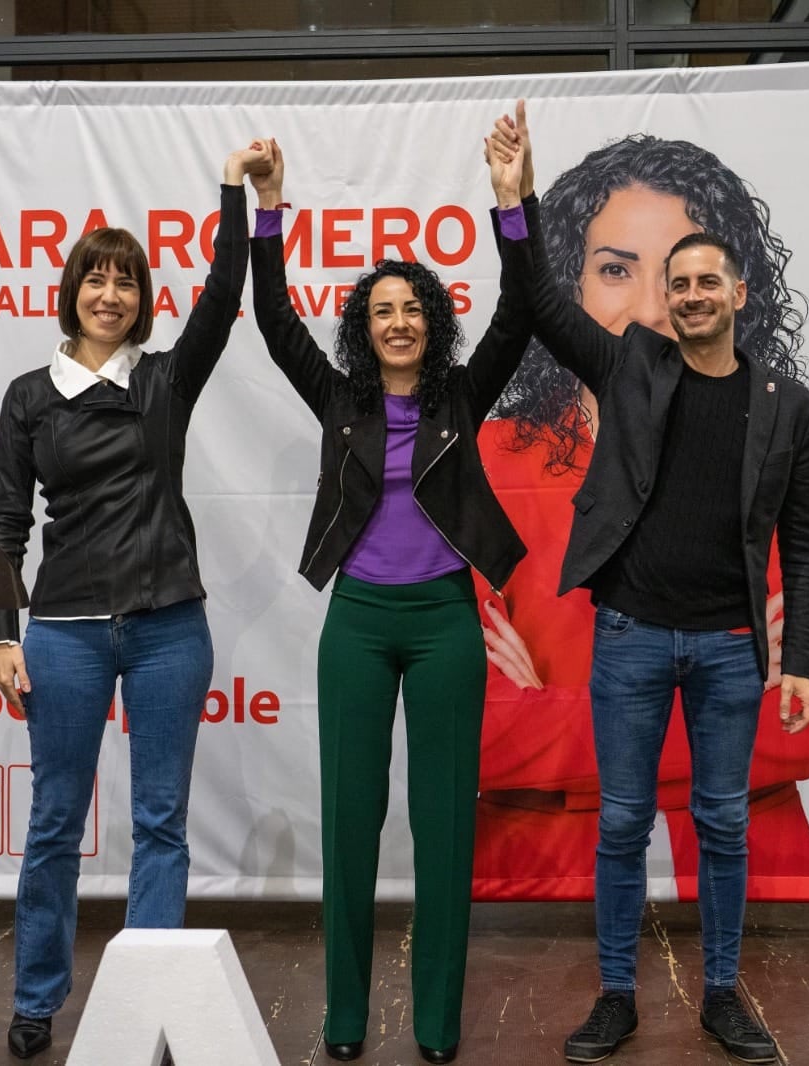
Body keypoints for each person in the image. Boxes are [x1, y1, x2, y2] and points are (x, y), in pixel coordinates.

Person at [491, 106, 809, 1064]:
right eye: (668, 282)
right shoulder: (630, 364)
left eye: (699, 280)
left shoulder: (786, 408)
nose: (680, 296)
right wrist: (512, 200)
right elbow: (544, 307)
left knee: (723, 824)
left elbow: (803, 545)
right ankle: (616, 995)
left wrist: (795, 658)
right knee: (625, 826)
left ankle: (722, 992)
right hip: (633, 635)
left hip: (729, 647)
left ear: (738, 290)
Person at [245, 130, 534, 1064]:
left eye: (413, 308)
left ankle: (440, 1026)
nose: (399, 322)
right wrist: (270, 211)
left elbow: (523, 308)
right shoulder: (340, 400)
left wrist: (510, 202)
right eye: (382, 311)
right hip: (358, 626)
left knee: (445, 822)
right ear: (362, 329)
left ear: (432, 321)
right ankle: (342, 1019)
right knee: (352, 821)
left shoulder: (461, 395)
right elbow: (271, 315)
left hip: (447, 621)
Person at [0, 142, 272, 1060]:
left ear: (142, 298)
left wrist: (236, 193)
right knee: (56, 823)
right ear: (71, 291)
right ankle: (37, 1002)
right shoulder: (29, 398)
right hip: (63, 634)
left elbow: (226, 296)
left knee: (160, 823)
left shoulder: (161, 383)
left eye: (125, 282)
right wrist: (2, 634)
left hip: (166, 630)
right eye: (94, 280)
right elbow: (2, 528)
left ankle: (147, 1006)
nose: (109, 295)